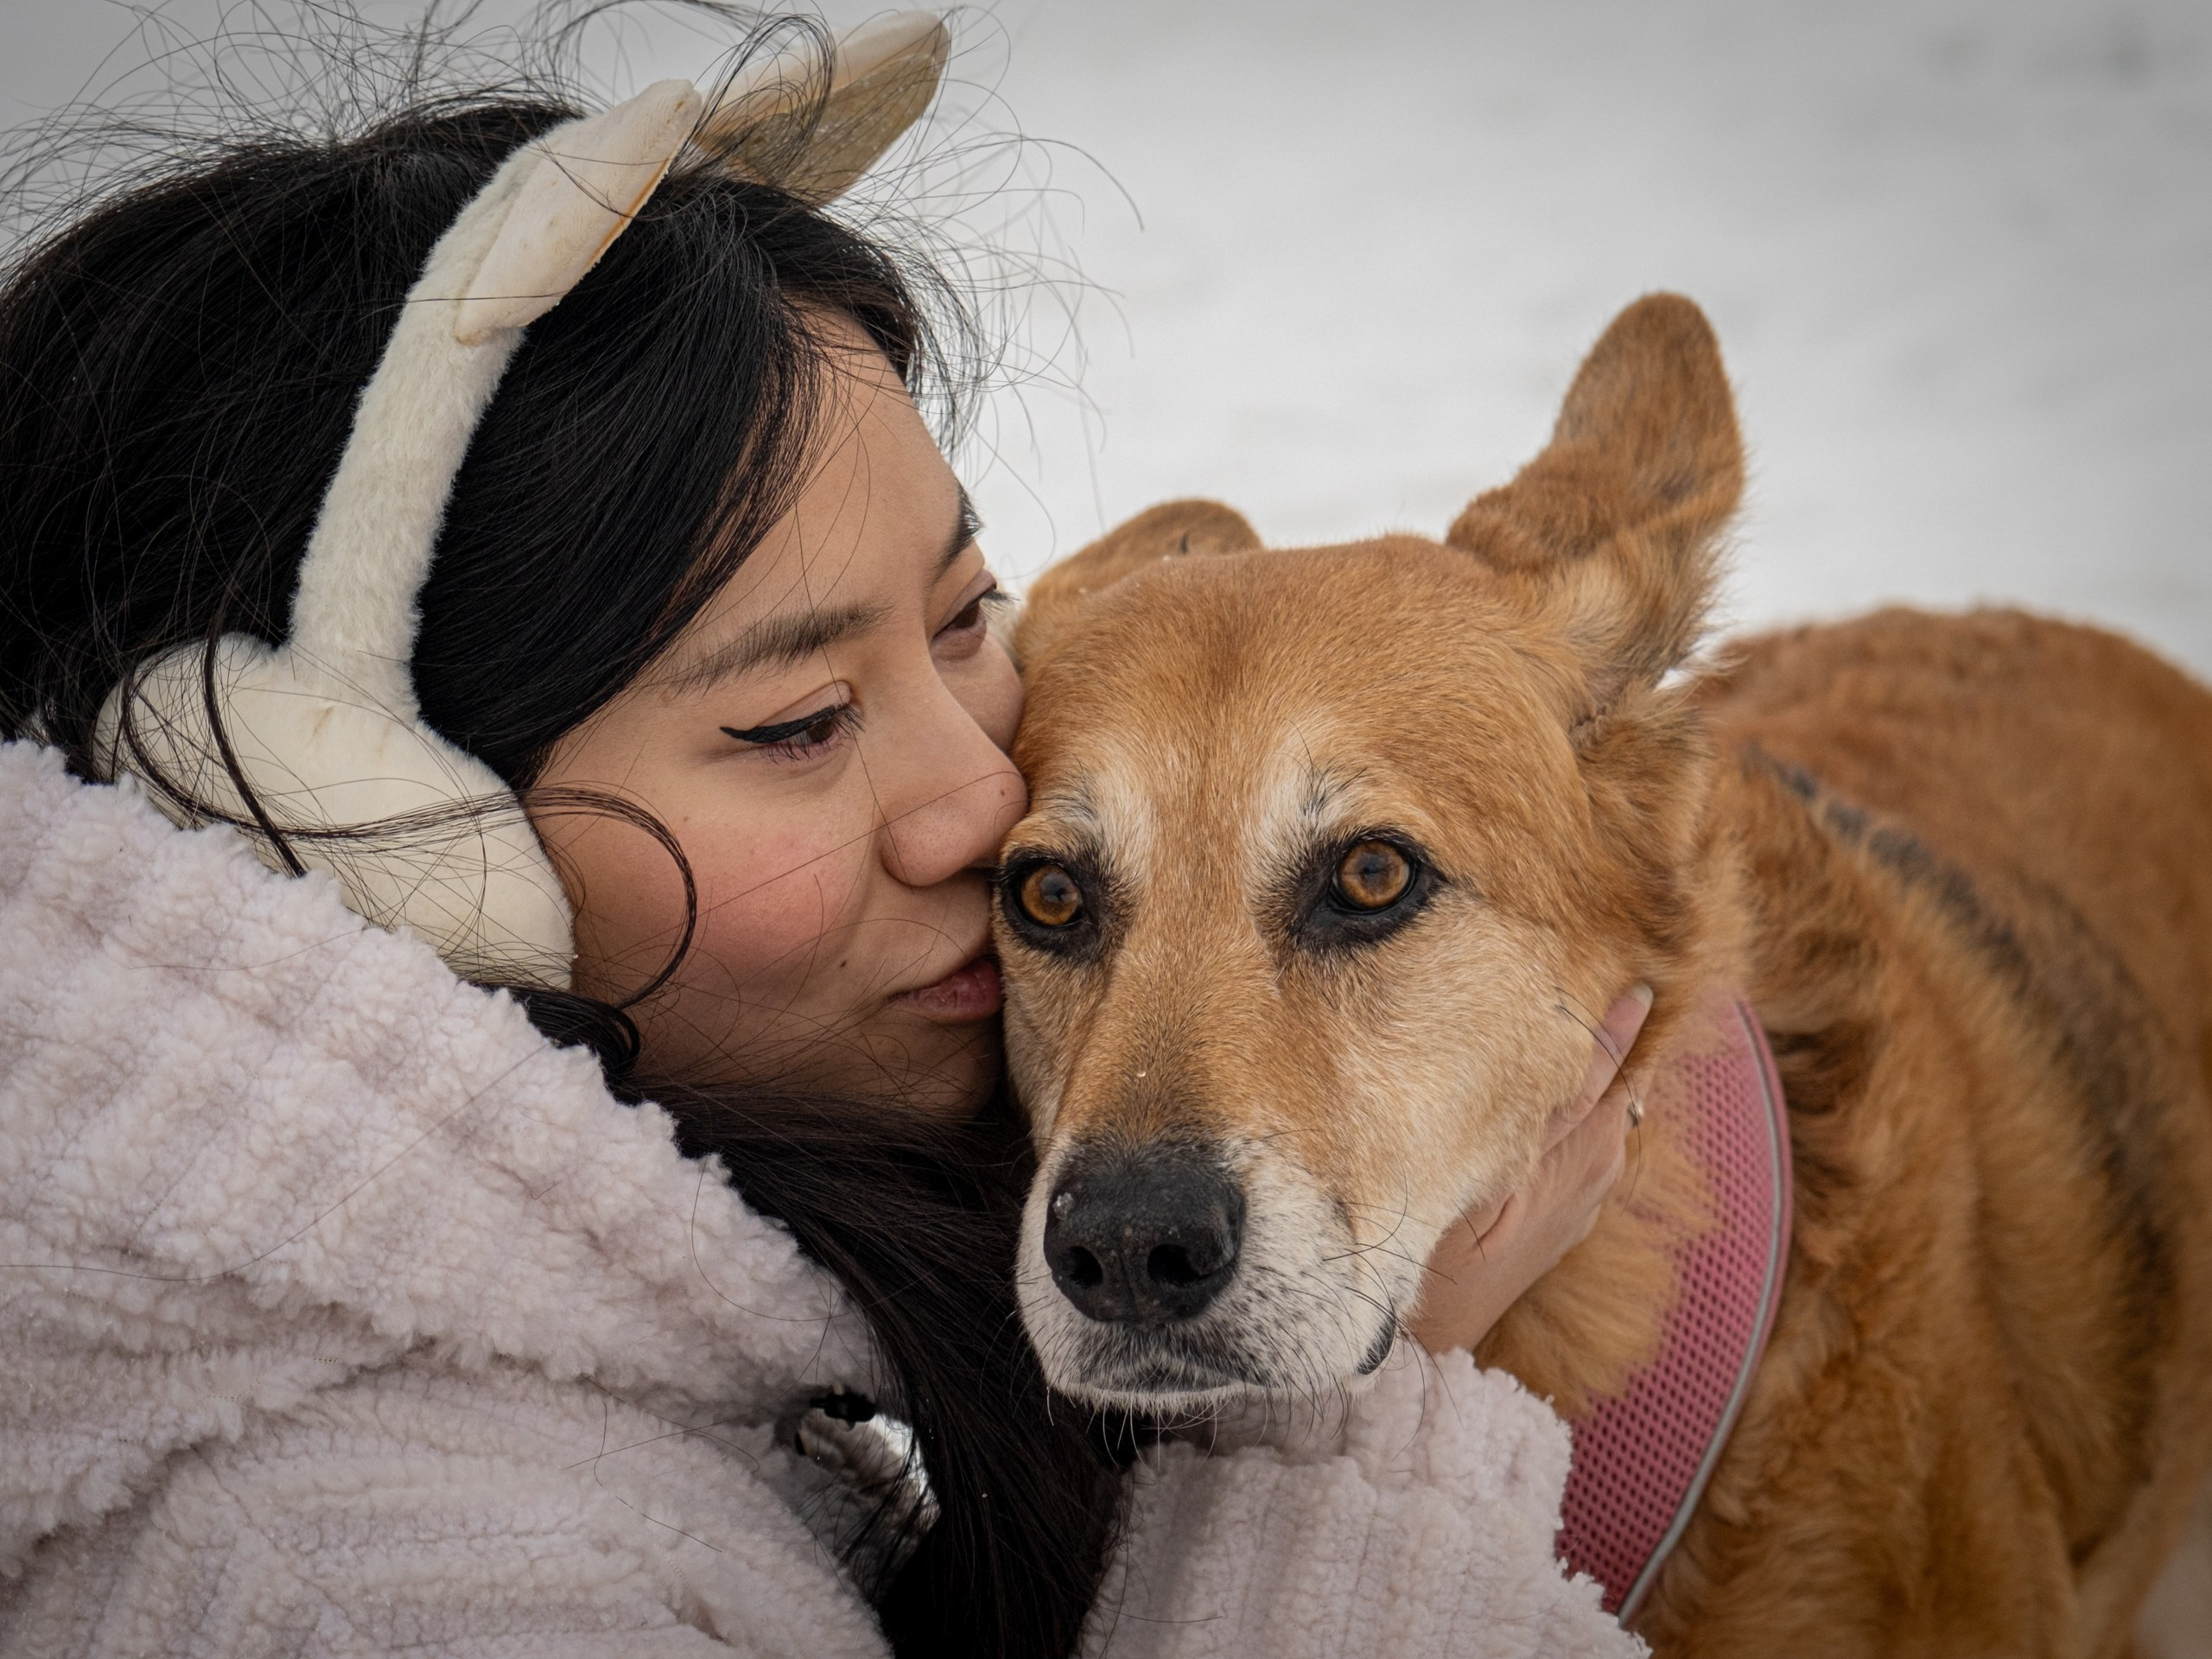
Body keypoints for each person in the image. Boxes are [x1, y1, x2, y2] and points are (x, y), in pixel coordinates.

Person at [0, 12, 1649, 1657]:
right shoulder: (383, 1588)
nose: (989, 806)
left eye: (959, 618)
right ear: (388, 835)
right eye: (796, 724)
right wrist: (1329, 1466)